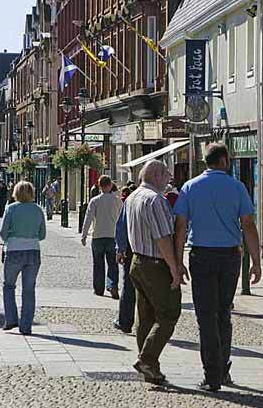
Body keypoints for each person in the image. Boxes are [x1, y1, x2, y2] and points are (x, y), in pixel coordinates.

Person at [172, 143, 262, 392]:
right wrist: (256, 261)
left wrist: (178, 262)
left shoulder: (190, 187)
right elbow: (248, 225)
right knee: (223, 313)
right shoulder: (237, 187)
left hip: (201, 256)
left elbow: (180, 227)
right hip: (229, 257)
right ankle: (222, 370)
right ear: (223, 161)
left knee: (205, 317)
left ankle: (211, 375)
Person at [125, 160, 185, 385]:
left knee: (146, 316)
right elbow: (162, 237)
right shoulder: (155, 200)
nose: (170, 179)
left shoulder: (133, 197)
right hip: (156, 264)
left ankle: (149, 367)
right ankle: (147, 360)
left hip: (137, 261)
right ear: (157, 176)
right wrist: (174, 266)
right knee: (169, 314)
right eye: (167, 174)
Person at [0, 181, 47, 335]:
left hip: (14, 250)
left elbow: (2, 233)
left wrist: (10, 237)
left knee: (9, 286)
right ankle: (26, 326)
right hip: (33, 251)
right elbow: (43, 235)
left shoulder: (11, 209)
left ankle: (11, 319)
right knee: (29, 290)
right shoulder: (38, 210)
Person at [81, 175, 123, 299]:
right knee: (112, 264)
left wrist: (84, 235)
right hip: (113, 236)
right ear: (110, 185)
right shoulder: (117, 200)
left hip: (98, 236)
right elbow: (122, 220)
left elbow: (88, 218)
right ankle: (112, 285)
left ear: (99, 186)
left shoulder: (95, 201)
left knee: (98, 264)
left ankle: (98, 289)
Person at [112, 201, 135, 334]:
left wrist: (120, 249)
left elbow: (121, 227)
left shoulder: (131, 201)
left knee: (129, 286)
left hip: (132, 250)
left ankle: (125, 321)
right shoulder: (161, 200)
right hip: (157, 252)